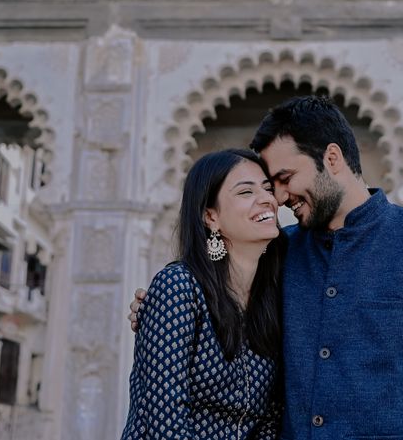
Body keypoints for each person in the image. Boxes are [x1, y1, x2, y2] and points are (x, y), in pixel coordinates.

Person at [131, 96, 403, 440]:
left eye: (284, 179)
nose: (277, 197)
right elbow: (219, 294)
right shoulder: (280, 251)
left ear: (331, 158)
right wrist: (160, 311)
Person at [119, 148, 285, 440]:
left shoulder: (271, 297)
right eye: (246, 192)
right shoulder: (179, 287)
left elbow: (270, 418)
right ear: (211, 217)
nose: (267, 199)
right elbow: (165, 417)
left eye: (267, 188)